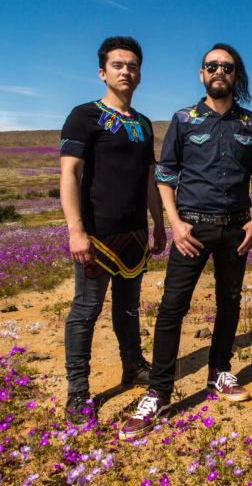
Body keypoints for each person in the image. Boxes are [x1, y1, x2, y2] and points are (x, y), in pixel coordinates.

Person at [119, 43, 252, 438]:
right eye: (211, 66)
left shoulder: (251, 123)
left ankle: (219, 372)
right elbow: (165, 174)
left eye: (227, 67)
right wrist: (175, 223)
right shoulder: (184, 119)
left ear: (236, 75)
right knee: (172, 308)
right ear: (202, 74)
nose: (219, 71)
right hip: (191, 230)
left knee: (229, 303)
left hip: (237, 229)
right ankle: (159, 392)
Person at [59, 36, 166, 424]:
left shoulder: (143, 124)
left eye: (132, 66)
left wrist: (158, 223)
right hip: (96, 235)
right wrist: (76, 231)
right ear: (102, 72)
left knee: (128, 307)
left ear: (140, 74)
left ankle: (133, 366)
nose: (126, 72)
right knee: (85, 310)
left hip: (134, 235)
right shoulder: (84, 116)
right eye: (118, 65)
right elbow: (70, 174)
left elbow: (149, 178)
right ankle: (78, 391)